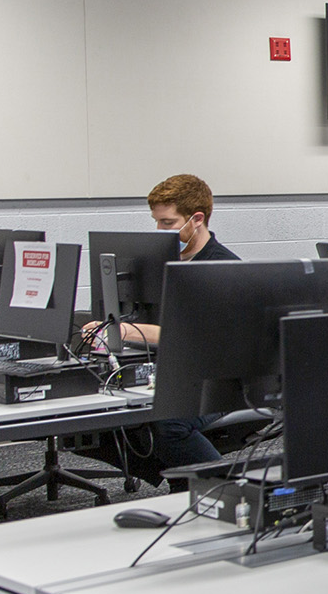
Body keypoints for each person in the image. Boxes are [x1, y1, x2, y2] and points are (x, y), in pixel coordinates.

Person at [84, 174, 241, 472]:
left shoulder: (222, 268)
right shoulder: (163, 263)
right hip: (173, 372)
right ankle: (178, 479)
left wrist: (124, 331)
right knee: (114, 415)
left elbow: (197, 339)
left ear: (196, 219)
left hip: (220, 379)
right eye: (156, 222)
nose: (160, 231)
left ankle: (220, 483)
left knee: (168, 423)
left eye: (168, 223)